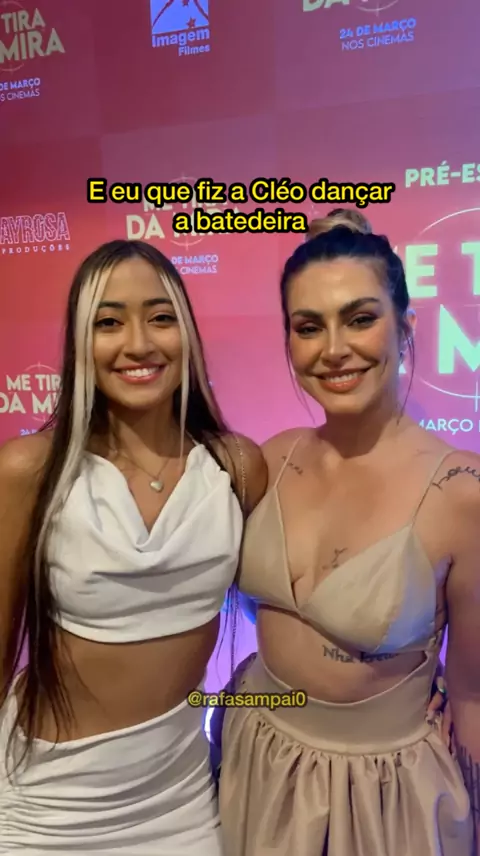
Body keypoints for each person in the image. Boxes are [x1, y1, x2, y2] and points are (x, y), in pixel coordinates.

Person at [216, 209, 480, 855]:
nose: (334, 348)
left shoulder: (462, 492)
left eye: (360, 318)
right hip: (256, 758)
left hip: (385, 798)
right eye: (309, 327)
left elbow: (474, 692)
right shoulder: (270, 459)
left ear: (405, 327)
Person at [0, 239, 267, 854]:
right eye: (109, 322)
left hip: (180, 799)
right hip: (47, 804)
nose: (139, 343)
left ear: (187, 333)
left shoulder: (237, 467)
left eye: (160, 317)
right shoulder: (30, 470)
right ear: (80, 343)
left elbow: (285, 614)